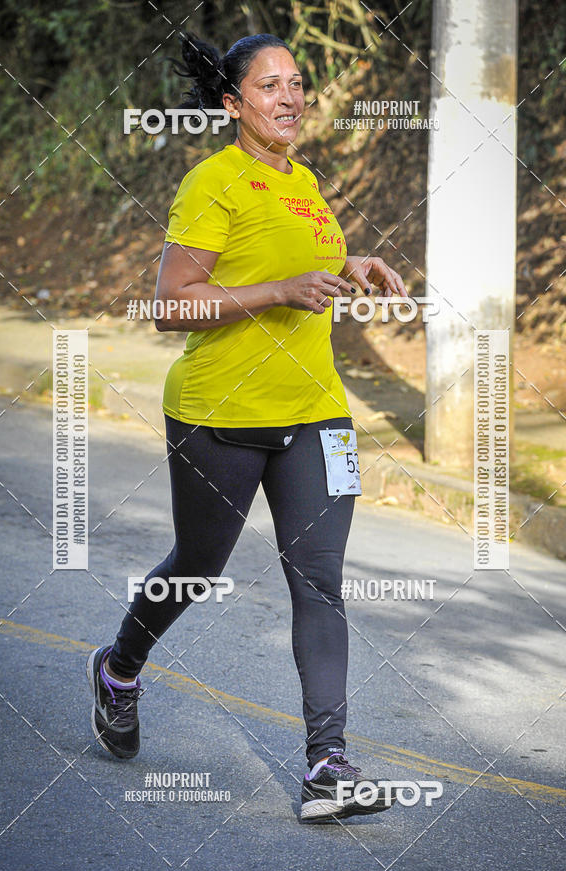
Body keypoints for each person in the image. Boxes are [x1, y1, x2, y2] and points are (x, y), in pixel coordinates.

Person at [87, 31, 407, 823]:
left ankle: (327, 765)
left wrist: (350, 266)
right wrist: (277, 289)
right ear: (233, 104)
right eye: (269, 87)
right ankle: (120, 667)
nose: (290, 98)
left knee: (320, 581)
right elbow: (172, 304)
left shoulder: (306, 181)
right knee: (199, 563)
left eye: (297, 84)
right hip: (218, 414)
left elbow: (299, 263)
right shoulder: (212, 182)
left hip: (317, 412)